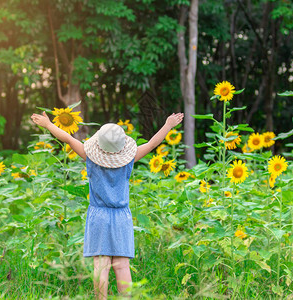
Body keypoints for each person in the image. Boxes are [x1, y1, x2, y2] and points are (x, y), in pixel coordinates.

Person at [31, 111, 184, 299]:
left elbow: (68, 139)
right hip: (121, 217)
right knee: (122, 265)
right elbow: (152, 144)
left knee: (100, 265)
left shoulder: (90, 159)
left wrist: (47, 124)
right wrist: (168, 124)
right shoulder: (129, 159)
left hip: (98, 216)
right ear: (122, 147)